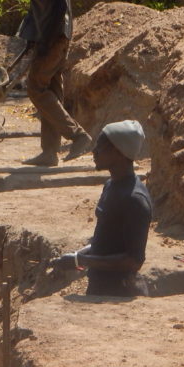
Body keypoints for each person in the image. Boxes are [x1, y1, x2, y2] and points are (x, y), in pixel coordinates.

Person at [51, 120, 153, 297]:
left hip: (119, 294)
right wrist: (80, 254)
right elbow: (110, 239)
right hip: (101, 287)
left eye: (100, 146)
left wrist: (81, 260)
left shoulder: (135, 199)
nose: (94, 151)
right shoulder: (111, 186)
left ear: (118, 152)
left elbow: (133, 261)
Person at [17, 0, 93, 167]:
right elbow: (44, 4)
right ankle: (50, 152)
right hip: (57, 35)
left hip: (53, 37)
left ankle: (78, 136)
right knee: (51, 90)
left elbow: (59, 3)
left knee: (36, 88)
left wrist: (45, 40)